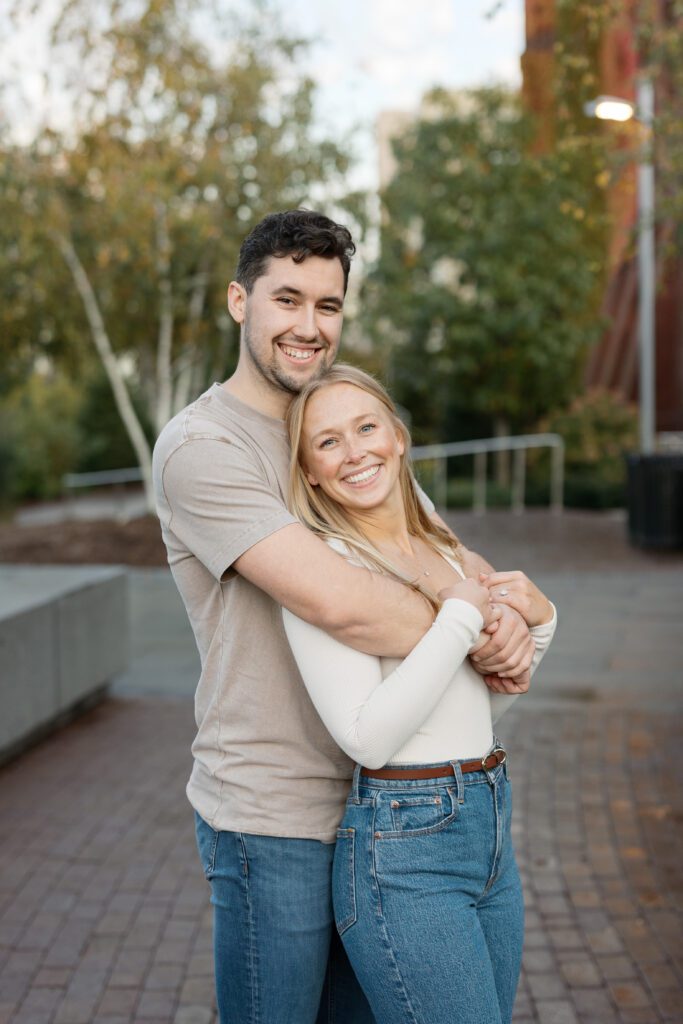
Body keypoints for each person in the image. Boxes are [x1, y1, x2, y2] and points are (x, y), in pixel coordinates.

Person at [152, 209, 537, 1024]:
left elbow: (443, 556)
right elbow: (339, 601)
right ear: (237, 301)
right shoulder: (203, 448)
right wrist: (472, 624)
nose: (307, 325)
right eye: (286, 299)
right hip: (276, 816)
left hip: (390, 815)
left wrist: (504, 613)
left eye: (327, 306)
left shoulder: (343, 429)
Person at [283, 363, 557, 1024]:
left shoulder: (444, 549)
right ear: (310, 472)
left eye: (365, 427)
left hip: (487, 821)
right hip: (403, 853)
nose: (353, 452)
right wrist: (460, 618)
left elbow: (474, 708)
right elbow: (367, 736)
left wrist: (541, 627)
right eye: (327, 442)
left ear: (398, 437)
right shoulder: (324, 565)